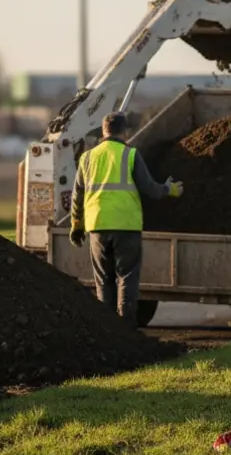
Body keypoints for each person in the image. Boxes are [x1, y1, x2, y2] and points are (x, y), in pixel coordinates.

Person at [69, 112, 183, 324]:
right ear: (125, 132)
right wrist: (169, 189)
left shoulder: (87, 158)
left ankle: (108, 329)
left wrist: (77, 225)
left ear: (103, 131)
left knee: (103, 280)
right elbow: (150, 189)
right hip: (126, 226)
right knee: (127, 278)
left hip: (97, 226)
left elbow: (77, 196)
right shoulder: (130, 155)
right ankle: (127, 330)